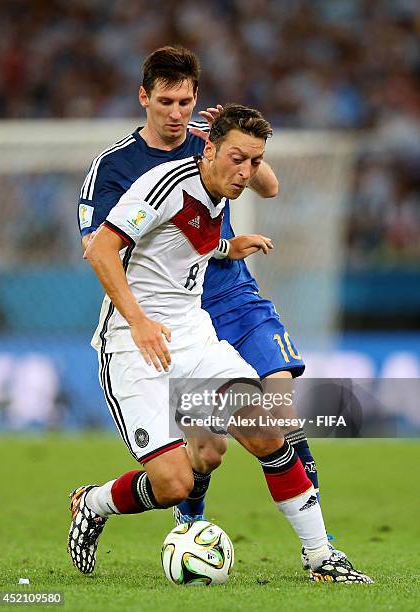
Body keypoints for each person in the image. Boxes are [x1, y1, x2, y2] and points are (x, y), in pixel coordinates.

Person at [69, 103, 372, 584]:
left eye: (254, 162)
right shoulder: (163, 186)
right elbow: (100, 248)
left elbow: (185, 244)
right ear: (208, 149)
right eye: (238, 159)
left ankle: (322, 556)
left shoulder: (217, 190)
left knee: (268, 431)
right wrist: (139, 320)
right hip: (134, 344)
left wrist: (230, 246)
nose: (246, 172)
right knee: (173, 483)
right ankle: (93, 502)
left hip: (194, 337)